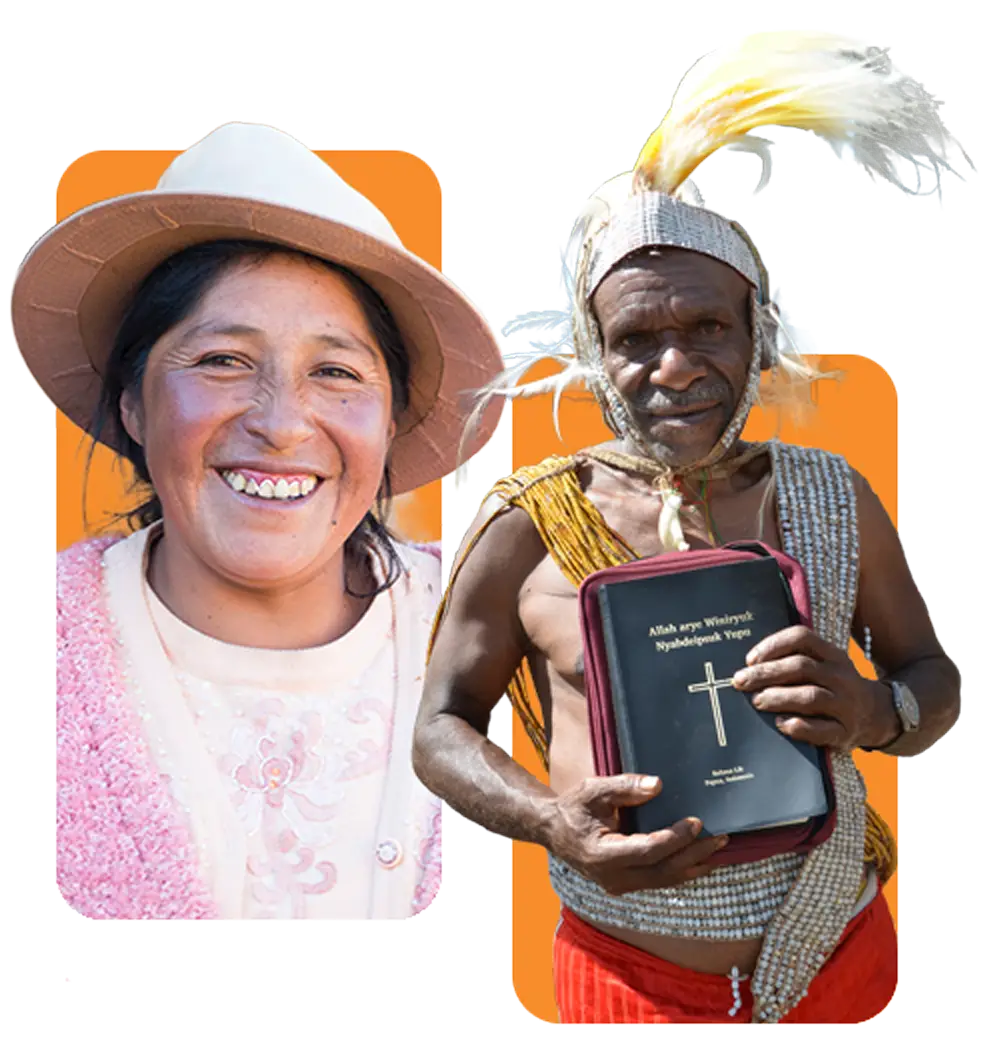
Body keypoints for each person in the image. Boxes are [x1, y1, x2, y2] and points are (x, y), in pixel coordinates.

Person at [414, 32, 966, 1022]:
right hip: (621, 980)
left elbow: (936, 679)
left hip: (836, 954)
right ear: (592, 351)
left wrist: (877, 709)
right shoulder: (530, 520)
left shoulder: (830, 500)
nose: (673, 367)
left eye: (707, 327)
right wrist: (550, 820)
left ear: (759, 336)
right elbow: (439, 725)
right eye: (635, 338)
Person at [11, 121, 504, 919]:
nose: (281, 423)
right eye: (222, 361)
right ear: (133, 401)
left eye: (336, 372)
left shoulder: (506, 632)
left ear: (389, 422)